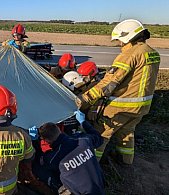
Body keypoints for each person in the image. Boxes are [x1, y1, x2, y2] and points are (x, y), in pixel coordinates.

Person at [79, 19, 160, 164]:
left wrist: (84, 100)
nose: (119, 44)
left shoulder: (130, 55)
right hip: (142, 107)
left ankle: (90, 165)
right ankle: (125, 161)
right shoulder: (152, 53)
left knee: (100, 135)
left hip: (120, 107)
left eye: (119, 40)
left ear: (127, 37)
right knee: (127, 133)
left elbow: (108, 84)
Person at [32, 111, 105, 194]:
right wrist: (83, 122)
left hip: (81, 192)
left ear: (47, 141)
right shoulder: (84, 140)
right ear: (59, 130)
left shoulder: (54, 157)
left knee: (39, 170)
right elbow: (99, 138)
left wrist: (34, 141)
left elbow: (39, 161)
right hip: (99, 186)